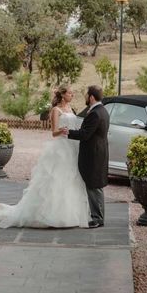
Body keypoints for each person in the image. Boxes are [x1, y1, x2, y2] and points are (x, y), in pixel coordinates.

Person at [0, 85, 90, 228]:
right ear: (63, 95)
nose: (72, 95)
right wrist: (63, 131)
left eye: (72, 93)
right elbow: (53, 132)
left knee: (72, 179)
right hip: (61, 147)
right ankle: (49, 214)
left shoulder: (71, 109)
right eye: (70, 93)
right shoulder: (55, 110)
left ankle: (70, 215)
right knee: (56, 179)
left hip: (72, 147)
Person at [60, 85, 109, 228]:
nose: (85, 98)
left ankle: (98, 218)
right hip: (99, 152)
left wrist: (68, 132)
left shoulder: (95, 113)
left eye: (87, 95)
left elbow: (85, 134)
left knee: (94, 186)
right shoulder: (102, 110)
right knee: (95, 186)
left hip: (93, 155)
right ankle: (98, 216)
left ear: (92, 97)